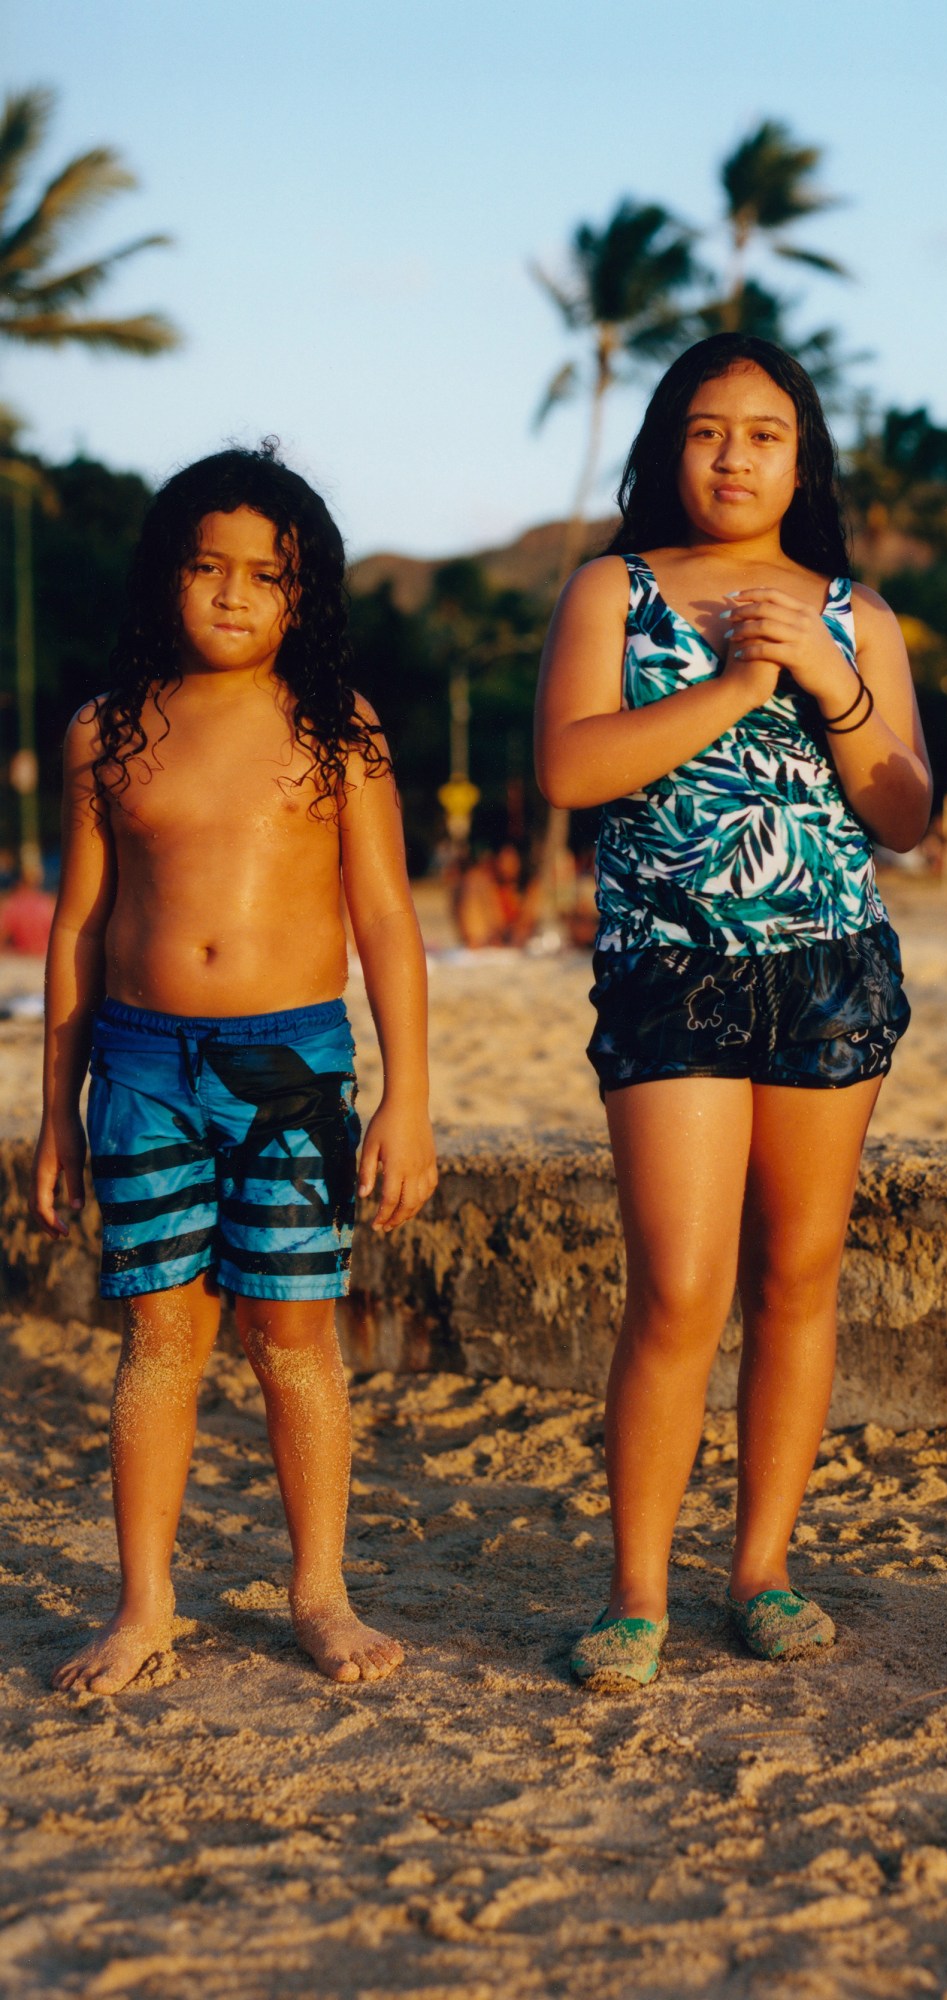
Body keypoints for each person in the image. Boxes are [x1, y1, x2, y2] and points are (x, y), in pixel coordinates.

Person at [535, 332, 931, 1690]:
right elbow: (572, 768)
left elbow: (908, 812)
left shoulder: (856, 611)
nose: (734, 456)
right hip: (669, 965)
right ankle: (637, 1590)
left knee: (799, 1274)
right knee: (680, 1285)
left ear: (801, 456)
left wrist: (831, 681)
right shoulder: (617, 589)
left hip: (828, 967)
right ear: (666, 445)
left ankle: (760, 1568)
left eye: (764, 433)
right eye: (707, 430)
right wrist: (733, 690)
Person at [35, 444, 437, 1696]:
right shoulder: (107, 732)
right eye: (205, 567)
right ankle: (143, 1602)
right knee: (159, 1339)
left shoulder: (338, 728)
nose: (230, 594)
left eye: (265, 575)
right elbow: (79, 927)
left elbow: (386, 924)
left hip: (296, 1071)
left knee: (296, 1340)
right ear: (166, 576)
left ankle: (320, 1590)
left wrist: (408, 1098)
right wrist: (55, 1111)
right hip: (142, 1062)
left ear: (301, 595)